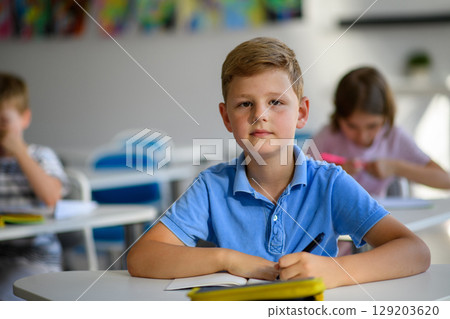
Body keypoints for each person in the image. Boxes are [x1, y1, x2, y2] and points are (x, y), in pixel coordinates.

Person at [127, 37, 430, 289]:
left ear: (301, 113)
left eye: (276, 102)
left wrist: (335, 271)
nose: (260, 115)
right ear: (226, 117)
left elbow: (415, 251)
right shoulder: (211, 187)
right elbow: (141, 257)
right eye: (245, 104)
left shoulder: (329, 183)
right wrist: (228, 259)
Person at [314, 66, 450, 198]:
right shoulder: (329, 135)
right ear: (338, 117)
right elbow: (297, 175)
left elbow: (445, 180)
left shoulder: (394, 137)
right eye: (351, 126)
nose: (362, 136)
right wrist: (332, 172)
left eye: (372, 126)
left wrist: (396, 167)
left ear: (386, 116)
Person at [0, 73, 69, 300]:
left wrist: (19, 151)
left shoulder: (40, 156)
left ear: (24, 119)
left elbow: (51, 197)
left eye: (4, 121)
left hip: (35, 258)